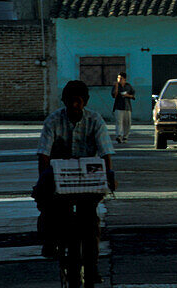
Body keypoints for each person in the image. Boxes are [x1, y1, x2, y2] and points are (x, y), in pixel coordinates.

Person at [34, 80, 117, 269]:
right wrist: (44, 180)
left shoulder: (95, 121)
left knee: (91, 222)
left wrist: (109, 175)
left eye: (78, 101)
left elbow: (105, 152)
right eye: (70, 101)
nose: (74, 105)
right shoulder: (52, 121)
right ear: (63, 101)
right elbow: (43, 154)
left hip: (88, 180)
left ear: (85, 101)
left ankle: (92, 267)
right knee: (48, 206)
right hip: (59, 177)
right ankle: (50, 241)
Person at [111, 72, 135, 143]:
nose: (119, 80)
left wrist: (128, 95)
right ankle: (119, 136)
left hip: (127, 107)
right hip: (118, 107)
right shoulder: (116, 86)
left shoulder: (128, 86)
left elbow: (133, 95)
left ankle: (125, 137)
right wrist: (116, 87)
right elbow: (114, 95)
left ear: (125, 79)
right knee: (119, 122)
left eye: (121, 78)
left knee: (127, 123)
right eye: (118, 78)